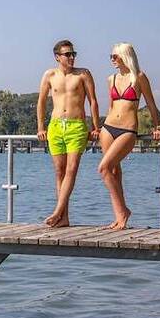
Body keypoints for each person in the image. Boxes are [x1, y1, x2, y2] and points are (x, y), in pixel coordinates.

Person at [98, 43, 160, 230]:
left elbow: (151, 104)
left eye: (115, 56)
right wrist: (98, 128)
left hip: (127, 130)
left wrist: (157, 126)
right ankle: (119, 217)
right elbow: (111, 106)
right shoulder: (111, 79)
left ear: (125, 56)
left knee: (103, 168)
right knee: (113, 172)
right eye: (111, 56)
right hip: (108, 128)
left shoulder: (139, 77)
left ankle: (124, 212)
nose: (112, 59)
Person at [37, 40, 100, 227]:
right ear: (58, 57)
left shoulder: (83, 74)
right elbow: (41, 102)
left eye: (74, 54)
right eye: (68, 54)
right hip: (55, 126)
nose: (72, 57)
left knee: (71, 169)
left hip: (76, 126)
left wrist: (95, 127)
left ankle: (57, 211)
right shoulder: (49, 75)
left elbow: (93, 101)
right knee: (59, 172)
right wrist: (41, 127)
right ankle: (64, 218)